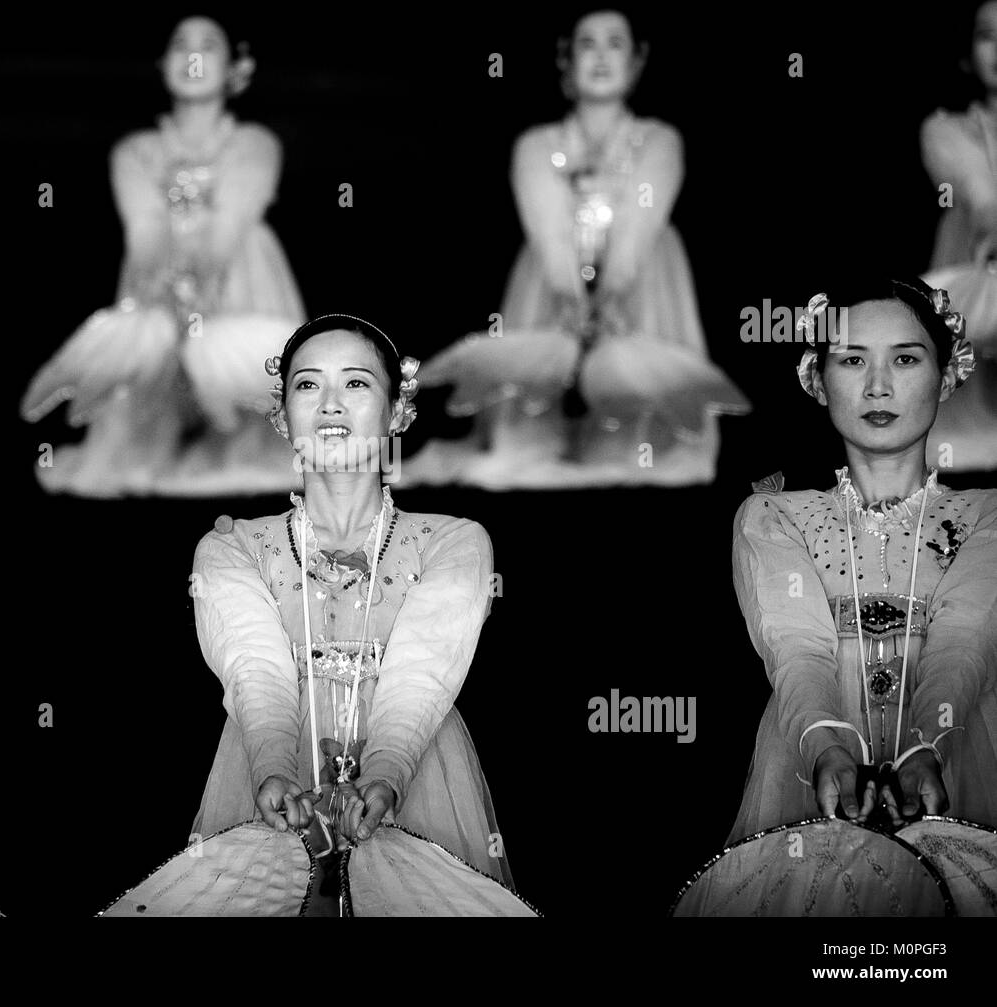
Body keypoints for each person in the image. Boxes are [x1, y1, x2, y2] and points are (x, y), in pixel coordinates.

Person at [188, 314, 513, 888]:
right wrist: (271, 769)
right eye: (308, 385)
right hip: (267, 767)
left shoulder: (453, 542)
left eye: (356, 383)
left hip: (419, 773)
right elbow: (253, 671)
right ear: (282, 415)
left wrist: (388, 771)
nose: (331, 403)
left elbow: (422, 673)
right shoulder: (231, 547)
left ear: (396, 413)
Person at [409, 7, 747, 490]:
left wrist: (611, 294)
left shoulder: (659, 139)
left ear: (636, 60)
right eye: (588, 44)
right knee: (529, 409)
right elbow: (546, 223)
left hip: (642, 279)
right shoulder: (537, 143)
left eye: (616, 43)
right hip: (551, 280)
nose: (602, 57)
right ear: (566, 59)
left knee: (634, 427)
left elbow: (640, 219)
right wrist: (570, 296)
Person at [728, 278, 997, 843]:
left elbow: (965, 637)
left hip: (963, 757)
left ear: (947, 376)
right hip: (811, 764)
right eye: (852, 360)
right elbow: (797, 649)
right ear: (817, 381)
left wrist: (928, 750)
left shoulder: (987, 515)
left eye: (905, 358)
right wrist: (828, 747)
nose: (878, 386)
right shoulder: (775, 514)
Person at [21, 15, 305, 497]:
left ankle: (239, 439)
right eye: (180, 45)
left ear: (236, 69)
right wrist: (166, 295)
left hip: (239, 275)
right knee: (144, 359)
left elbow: (233, 217)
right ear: (162, 64)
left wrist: (203, 292)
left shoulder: (254, 144)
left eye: (209, 46)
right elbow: (144, 227)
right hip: (156, 280)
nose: (193, 57)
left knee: (240, 377)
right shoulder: (137, 151)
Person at [919, 0, 997, 470]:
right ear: (967, 51)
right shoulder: (945, 129)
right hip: (975, 271)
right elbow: (980, 194)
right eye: (989, 36)